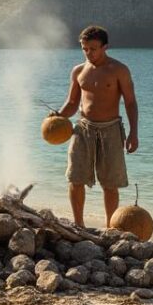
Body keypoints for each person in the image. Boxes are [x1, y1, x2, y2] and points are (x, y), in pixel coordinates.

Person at [55, 25, 139, 228]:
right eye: (84, 49)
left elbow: (130, 102)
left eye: (93, 49)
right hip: (83, 128)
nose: (88, 53)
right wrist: (57, 117)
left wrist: (133, 133)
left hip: (111, 129)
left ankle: (110, 227)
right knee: (75, 178)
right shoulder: (78, 71)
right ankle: (78, 224)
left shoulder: (118, 69)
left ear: (105, 47)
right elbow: (72, 103)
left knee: (110, 183)